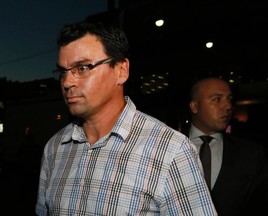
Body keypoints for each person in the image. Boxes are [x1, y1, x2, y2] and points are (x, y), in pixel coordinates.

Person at [35, 20, 217, 215]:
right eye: (63, 71)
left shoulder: (171, 151)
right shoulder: (54, 148)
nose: (68, 82)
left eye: (83, 68)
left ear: (121, 71)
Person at [187, 77, 268, 216]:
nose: (228, 106)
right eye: (217, 99)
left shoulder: (250, 153)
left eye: (229, 99)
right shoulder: (164, 148)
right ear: (195, 106)